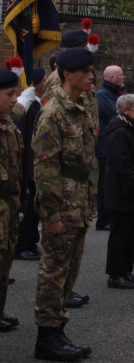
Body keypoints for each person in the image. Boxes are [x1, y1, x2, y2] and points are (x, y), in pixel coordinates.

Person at [32, 48, 95, 360]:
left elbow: (86, 162)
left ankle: (58, 329)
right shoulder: (52, 113)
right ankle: (47, 336)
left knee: (69, 272)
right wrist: (52, 213)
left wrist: (89, 201)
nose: (90, 76)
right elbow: (46, 169)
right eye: (84, 71)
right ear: (68, 74)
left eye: (91, 71)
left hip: (79, 202)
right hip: (62, 205)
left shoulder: (79, 107)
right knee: (53, 272)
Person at [104, 94, 134, 289]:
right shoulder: (120, 132)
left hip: (133, 191)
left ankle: (126, 271)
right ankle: (115, 275)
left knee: (133, 234)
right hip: (121, 192)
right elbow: (122, 165)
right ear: (124, 110)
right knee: (120, 234)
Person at [0, 69, 27, 332]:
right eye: (9, 94)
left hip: (8, 210)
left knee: (4, 267)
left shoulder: (7, 124)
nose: (14, 99)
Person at [14, 68, 47, 261]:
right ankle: (22, 245)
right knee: (28, 207)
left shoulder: (38, 104)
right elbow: (27, 138)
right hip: (29, 164)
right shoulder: (27, 107)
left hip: (37, 161)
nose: (45, 83)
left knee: (36, 206)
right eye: (43, 80)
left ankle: (32, 241)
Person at [95, 66, 125, 232]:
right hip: (106, 145)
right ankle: (103, 219)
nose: (124, 77)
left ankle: (111, 216)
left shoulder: (117, 94)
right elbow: (116, 115)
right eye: (121, 75)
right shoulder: (102, 95)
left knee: (113, 183)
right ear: (112, 78)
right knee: (105, 183)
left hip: (114, 145)